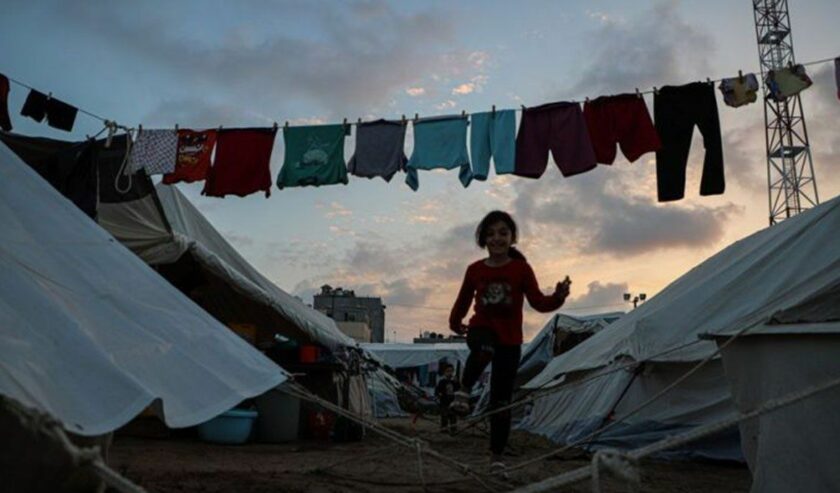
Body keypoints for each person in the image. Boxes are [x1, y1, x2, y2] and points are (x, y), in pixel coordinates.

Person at [448, 210, 571, 473]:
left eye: (503, 233)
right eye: (491, 233)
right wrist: (455, 321)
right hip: (481, 330)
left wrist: (558, 297)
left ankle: (496, 457)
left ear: (512, 237)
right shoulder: (475, 270)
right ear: (483, 239)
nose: (497, 238)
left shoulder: (521, 270)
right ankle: (464, 390)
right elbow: (463, 300)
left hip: (511, 340)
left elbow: (539, 302)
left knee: (501, 401)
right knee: (484, 348)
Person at [434, 363, 460, 434]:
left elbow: (458, 389)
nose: (450, 373)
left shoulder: (454, 381)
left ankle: (453, 428)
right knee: (444, 415)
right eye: (448, 371)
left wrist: (456, 382)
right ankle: (444, 428)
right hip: (444, 401)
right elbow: (437, 390)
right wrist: (438, 394)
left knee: (453, 416)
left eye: (451, 371)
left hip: (452, 401)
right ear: (444, 372)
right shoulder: (442, 381)